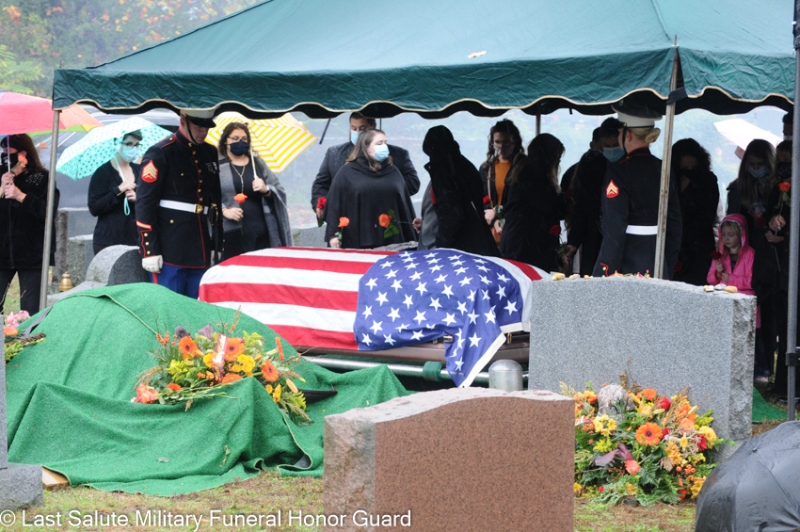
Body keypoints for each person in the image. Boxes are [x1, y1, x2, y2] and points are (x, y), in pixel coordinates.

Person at [135, 109, 223, 298]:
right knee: (169, 307)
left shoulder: (209, 152)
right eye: (198, 126)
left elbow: (215, 201)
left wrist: (216, 243)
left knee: (196, 309)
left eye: (207, 127)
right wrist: (149, 249)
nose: (204, 131)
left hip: (200, 245)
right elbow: (145, 203)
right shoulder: (161, 152)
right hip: (170, 247)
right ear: (183, 121)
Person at [592, 105, 682, 278]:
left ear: (628, 135)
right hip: (658, 260)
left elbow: (615, 229)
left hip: (629, 262)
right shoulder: (663, 168)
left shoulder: (619, 171)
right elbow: (674, 224)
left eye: (620, 132)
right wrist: (667, 265)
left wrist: (606, 270)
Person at [727, 139, 778, 381]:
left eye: (761, 165)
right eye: (752, 164)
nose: (756, 169)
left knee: (768, 313)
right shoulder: (738, 188)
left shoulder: (778, 189)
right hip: (745, 255)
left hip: (770, 255)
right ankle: (747, 365)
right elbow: (732, 221)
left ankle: (766, 365)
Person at [310, 112, 419, 223]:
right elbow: (320, 185)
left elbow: (413, 183)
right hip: (347, 219)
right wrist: (321, 205)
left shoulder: (397, 154)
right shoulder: (334, 154)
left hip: (387, 218)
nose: (357, 132)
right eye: (353, 128)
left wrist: (383, 186)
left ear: (373, 127)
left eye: (362, 128)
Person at [324, 129, 416, 249]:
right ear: (366, 148)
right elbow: (334, 203)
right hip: (358, 239)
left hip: (392, 238)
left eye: (385, 142)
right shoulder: (347, 172)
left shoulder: (393, 171)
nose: (384, 146)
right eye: (379, 143)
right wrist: (333, 235)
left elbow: (404, 204)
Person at [0, 134, 59, 314]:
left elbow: (47, 212)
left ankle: (29, 332)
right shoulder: (1, 175)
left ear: (23, 153)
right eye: (2, 151)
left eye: (8, 150)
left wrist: (20, 196)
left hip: (32, 253)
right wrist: (2, 188)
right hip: (3, 251)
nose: (4, 155)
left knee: (30, 307)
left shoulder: (41, 178)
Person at [216, 122, 291, 260]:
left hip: (263, 232)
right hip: (231, 234)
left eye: (244, 139)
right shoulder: (217, 165)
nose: (240, 142)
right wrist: (224, 211)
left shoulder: (258, 164)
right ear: (225, 140)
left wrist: (266, 189)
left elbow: (279, 191)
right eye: (235, 138)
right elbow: (208, 194)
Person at [422, 125, 498, 256]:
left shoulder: (444, 172)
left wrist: (441, 245)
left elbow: (452, 214)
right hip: (480, 239)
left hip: (460, 246)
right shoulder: (466, 166)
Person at [497, 133, 566, 271]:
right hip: (529, 245)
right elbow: (553, 207)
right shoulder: (535, 176)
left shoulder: (519, 171)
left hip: (517, 241)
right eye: (557, 159)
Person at [563, 118, 622, 275]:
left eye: (615, 146)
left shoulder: (630, 168)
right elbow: (583, 206)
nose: (611, 150)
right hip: (595, 235)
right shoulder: (594, 167)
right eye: (607, 146)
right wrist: (573, 241)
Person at [707, 214, 762, 381]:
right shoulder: (720, 255)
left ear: (741, 235)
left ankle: (752, 371)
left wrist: (730, 279)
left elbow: (752, 281)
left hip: (745, 301)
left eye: (731, 235)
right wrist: (717, 272)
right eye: (724, 235)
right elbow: (710, 279)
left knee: (744, 341)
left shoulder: (751, 254)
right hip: (725, 301)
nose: (727, 239)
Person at [767, 141, 796, 393]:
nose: (785, 167)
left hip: (793, 264)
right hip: (781, 270)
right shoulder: (777, 189)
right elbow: (768, 214)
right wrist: (771, 223)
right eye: (781, 162)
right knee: (785, 326)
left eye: (790, 162)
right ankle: (782, 385)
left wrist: (784, 237)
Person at [670, 138, 720, 286]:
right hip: (676, 244)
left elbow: (708, 215)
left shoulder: (708, 181)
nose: (689, 172)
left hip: (700, 247)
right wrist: (680, 191)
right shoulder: (670, 181)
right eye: (684, 168)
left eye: (693, 167)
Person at [87, 130, 142, 255]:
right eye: (129, 144)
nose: (134, 148)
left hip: (135, 239)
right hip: (108, 241)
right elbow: (94, 208)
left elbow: (150, 202)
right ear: (117, 144)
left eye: (137, 144)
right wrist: (118, 190)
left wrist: (138, 198)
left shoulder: (140, 170)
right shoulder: (103, 173)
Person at [480, 119, 526, 247]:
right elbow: (480, 199)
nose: (501, 146)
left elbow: (524, 201)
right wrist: (494, 220)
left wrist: (499, 210)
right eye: (497, 142)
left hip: (516, 232)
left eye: (506, 142)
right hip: (491, 235)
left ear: (514, 141)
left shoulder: (523, 168)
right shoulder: (487, 169)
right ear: (492, 143)